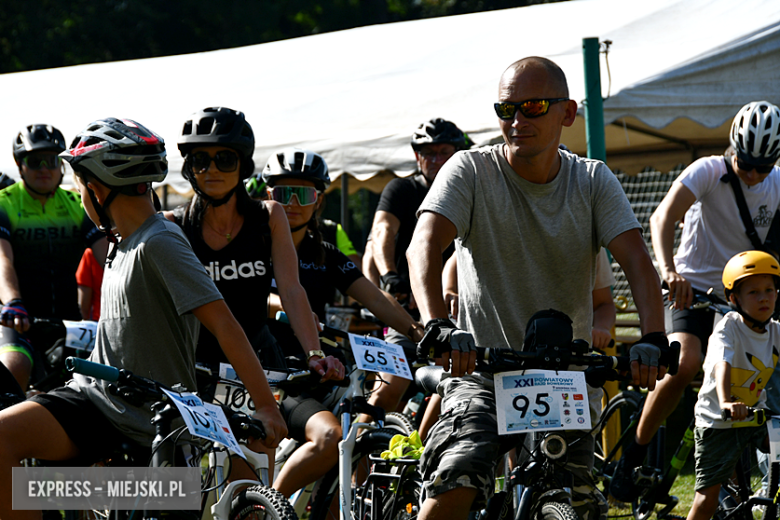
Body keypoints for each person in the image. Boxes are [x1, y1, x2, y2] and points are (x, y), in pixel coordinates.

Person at [406, 56, 670, 520]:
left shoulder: (592, 180)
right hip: (482, 371)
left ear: (567, 113)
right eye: (505, 110)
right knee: (456, 482)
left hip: (564, 378)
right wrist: (438, 325)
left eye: (531, 107)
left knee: (579, 505)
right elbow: (422, 248)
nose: (517, 121)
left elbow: (638, 263)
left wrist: (651, 338)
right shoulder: (470, 170)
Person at [0, 117, 286, 520]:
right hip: (95, 402)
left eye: (80, 187)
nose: (80, 196)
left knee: (47, 486)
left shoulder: (160, 241)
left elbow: (225, 324)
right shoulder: (121, 241)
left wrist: (266, 408)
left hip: (149, 424)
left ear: (96, 188)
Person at [610, 101, 780, 502]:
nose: (753, 174)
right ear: (732, 148)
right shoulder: (708, 170)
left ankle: (737, 472)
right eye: (746, 163)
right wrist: (670, 271)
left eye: (763, 166)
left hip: (743, 297)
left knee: (760, 377)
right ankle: (631, 459)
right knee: (683, 365)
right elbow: (661, 218)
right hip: (694, 291)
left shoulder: (777, 183)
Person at [260, 147, 425, 498]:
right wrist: (282, 306)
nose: (291, 202)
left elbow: (375, 298)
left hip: (316, 370)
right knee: (330, 436)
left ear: (318, 200)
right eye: (280, 193)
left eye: (302, 193)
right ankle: (268, 507)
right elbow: (245, 298)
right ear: (266, 196)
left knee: (357, 433)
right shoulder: (252, 246)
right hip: (267, 371)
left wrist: (415, 330)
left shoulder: (325, 253)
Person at [165, 107, 340, 384]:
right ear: (189, 169)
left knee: (325, 430)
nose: (212, 169)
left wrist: (314, 353)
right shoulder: (172, 225)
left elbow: (292, 289)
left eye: (224, 160)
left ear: (243, 166)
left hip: (263, 362)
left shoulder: (269, 216)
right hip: (195, 369)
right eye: (200, 160)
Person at [363, 118, 469, 411]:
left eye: (444, 152)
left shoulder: (469, 191)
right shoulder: (401, 189)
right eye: (427, 152)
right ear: (416, 155)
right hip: (407, 312)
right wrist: (389, 275)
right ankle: (356, 455)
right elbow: (382, 230)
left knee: (459, 392)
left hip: (458, 314)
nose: (435, 159)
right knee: (384, 396)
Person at [0, 124, 107, 391]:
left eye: (52, 160)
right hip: (19, 317)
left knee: (84, 387)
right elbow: (2, 259)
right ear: (20, 165)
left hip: (67, 320)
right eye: (35, 161)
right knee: (15, 369)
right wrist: (13, 301)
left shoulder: (76, 204)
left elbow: (110, 256)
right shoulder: (5, 203)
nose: (45, 168)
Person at [686, 250, 780, 520]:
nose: (763, 297)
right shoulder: (728, 328)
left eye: (769, 290)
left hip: (754, 418)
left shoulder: (774, 330)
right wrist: (726, 401)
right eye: (753, 292)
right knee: (706, 499)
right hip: (719, 422)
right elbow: (721, 363)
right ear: (733, 299)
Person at [76, 240, 107, 321]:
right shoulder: (134, 249)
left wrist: (85, 321)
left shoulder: (92, 253)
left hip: (99, 321)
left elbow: (84, 302)